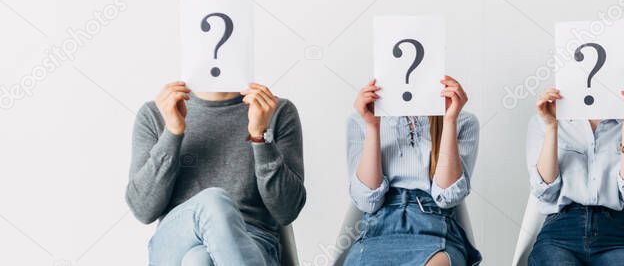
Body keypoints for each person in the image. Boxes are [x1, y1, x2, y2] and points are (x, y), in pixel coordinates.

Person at [127, 81, 306, 265]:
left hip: (252, 241)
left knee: (199, 260)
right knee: (213, 201)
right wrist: (172, 133)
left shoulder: (275, 111)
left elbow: (287, 211)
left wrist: (260, 136)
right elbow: (143, 209)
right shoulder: (158, 112)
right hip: (175, 242)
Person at [344, 76, 482, 266]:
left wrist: (450, 120)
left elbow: (448, 197)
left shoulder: (463, 120)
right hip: (377, 231)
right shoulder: (360, 119)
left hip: (435, 227)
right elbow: (367, 201)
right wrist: (373, 126)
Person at [525, 87, 624, 265]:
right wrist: (552, 127)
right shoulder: (543, 120)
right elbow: (545, 192)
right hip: (561, 229)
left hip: (614, 232)